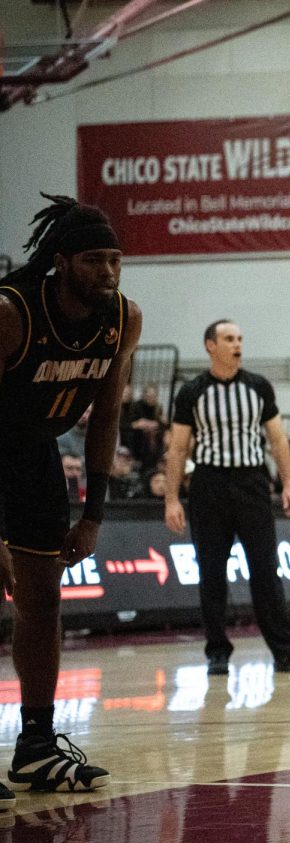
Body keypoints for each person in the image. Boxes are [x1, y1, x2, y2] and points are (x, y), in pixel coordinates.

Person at [0, 193, 142, 797]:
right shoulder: (11, 313)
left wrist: (93, 513)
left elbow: (107, 415)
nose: (108, 271)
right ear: (60, 262)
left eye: (114, 259)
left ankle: (35, 746)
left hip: (32, 451)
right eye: (93, 260)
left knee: (42, 602)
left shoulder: (123, 319)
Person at [164, 320, 290, 677]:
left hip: (252, 484)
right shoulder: (192, 391)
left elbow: (277, 440)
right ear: (210, 346)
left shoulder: (258, 386)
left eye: (240, 338)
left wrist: (288, 484)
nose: (237, 344)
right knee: (212, 573)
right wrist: (171, 499)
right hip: (209, 486)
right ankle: (217, 652)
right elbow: (179, 447)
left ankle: (284, 652)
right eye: (229, 339)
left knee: (265, 571)